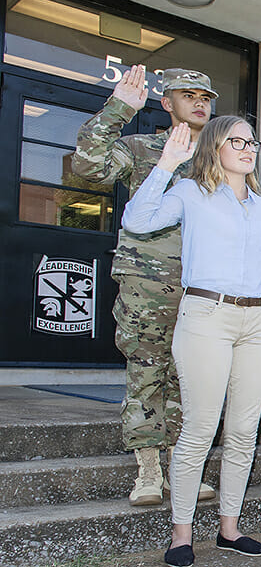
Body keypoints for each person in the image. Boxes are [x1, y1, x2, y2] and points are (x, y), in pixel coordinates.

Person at [122, 116, 261, 567]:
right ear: (214, 146)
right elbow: (136, 222)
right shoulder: (190, 192)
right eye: (236, 140)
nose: (247, 148)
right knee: (199, 428)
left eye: (251, 141)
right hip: (206, 316)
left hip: (259, 320)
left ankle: (229, 529)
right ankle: (181, 533)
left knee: (243, 430)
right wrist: (166, 165)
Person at [73, 65, 227, 507]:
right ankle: (147, 470)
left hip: (203, 289)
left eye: (206, 96)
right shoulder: (144, 149)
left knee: (192, 379)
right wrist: (119, 108)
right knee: (146, 374)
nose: (200, 102)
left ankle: (184, 466)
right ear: (167, 103)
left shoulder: (219, 160)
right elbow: (88, 166)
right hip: (148, 284)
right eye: (188, 95)